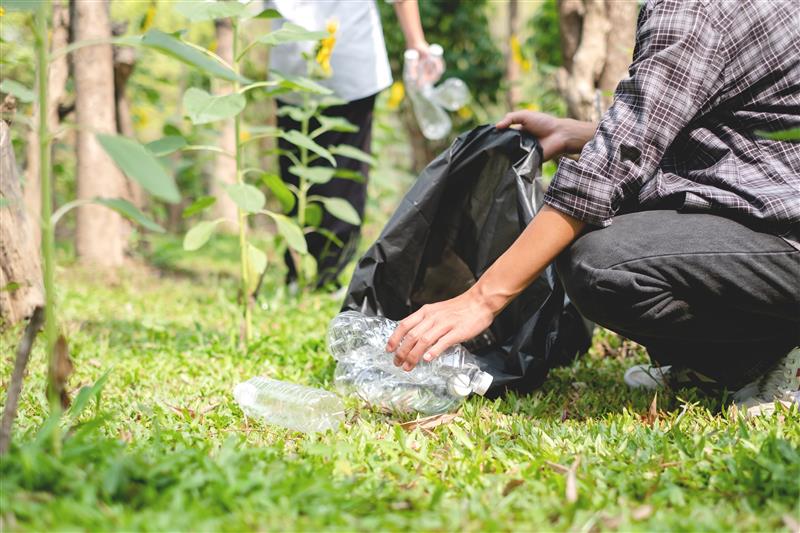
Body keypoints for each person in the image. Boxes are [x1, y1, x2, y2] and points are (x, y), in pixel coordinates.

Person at [387, 0, 800, 415]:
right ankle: (737, 356)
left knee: (602, 264)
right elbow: (719, 128)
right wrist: (581, 133)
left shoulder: (693, 10)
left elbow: (608, 172)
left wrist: (480, 300)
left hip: (787, 235)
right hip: (774, 204)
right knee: (625, 212)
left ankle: (768, 356)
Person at [269, 0, 439, 289]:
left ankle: (298, 273)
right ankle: (327, 274)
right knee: (344, 175)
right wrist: (416, 42)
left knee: (294, 173)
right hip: (350, 61)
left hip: (293, 67)